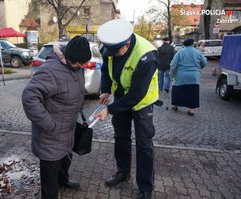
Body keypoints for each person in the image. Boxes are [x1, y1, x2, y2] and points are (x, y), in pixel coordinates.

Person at [96, 19, 159, 199]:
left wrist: (110, 109)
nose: (113, 55)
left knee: (144, 144)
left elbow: (137, 94)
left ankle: (146, 187)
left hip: (142, 101)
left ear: (127, 44)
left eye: (117, 52)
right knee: (121, 137)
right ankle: (122, 172)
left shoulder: (146, 56)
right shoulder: (111, 48)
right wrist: (106, 89)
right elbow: (106, 71)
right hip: (122, 97)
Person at [22, 36, 91, 199]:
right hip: (51, 134)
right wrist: (49, 124)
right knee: (49, 178)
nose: (80, 66)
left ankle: (63, 181)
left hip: (68, 129)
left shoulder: (76, 67)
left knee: (65, 160)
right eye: (77, 63)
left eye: (82, 63)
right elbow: (29, 97)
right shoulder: (50, 70)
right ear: (68, 56)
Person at [170, 38, 207, 116]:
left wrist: (172, 75)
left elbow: (173, 65)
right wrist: (198, 68)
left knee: (178, 90)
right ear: (192, 44)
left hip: (181, 75)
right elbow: (204, 62)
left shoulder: (180, 52)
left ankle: (175, 105)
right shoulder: (198, 52)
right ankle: (191, 110)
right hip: (194, 76)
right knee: (193, 92)